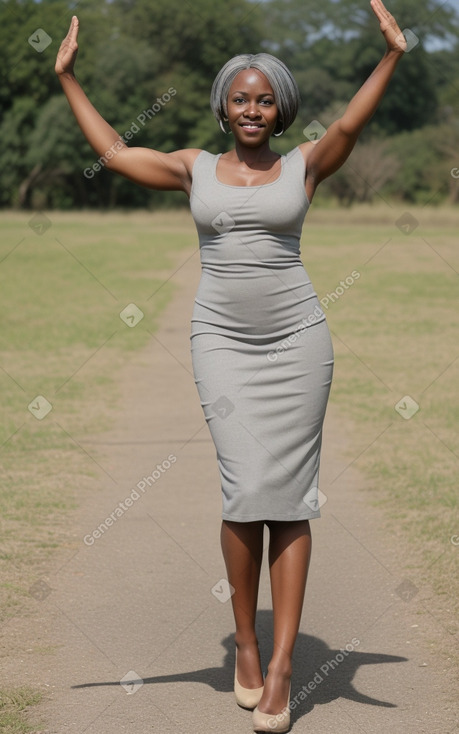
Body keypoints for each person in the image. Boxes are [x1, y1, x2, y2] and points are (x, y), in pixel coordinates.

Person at [55, 2, 406, 731]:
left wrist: (391, 57)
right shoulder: (193, 168)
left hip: (298, 345)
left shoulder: (304, 164)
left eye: (264, 98)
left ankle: (281, 665)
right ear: (223, 106)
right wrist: (69, 80)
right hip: (220, 345)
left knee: (291, 498)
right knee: (245, 489)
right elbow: (116, 154)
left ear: (280, 110)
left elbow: (348, 125)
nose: (252, 108)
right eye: (240, 97)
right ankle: (244, 642)